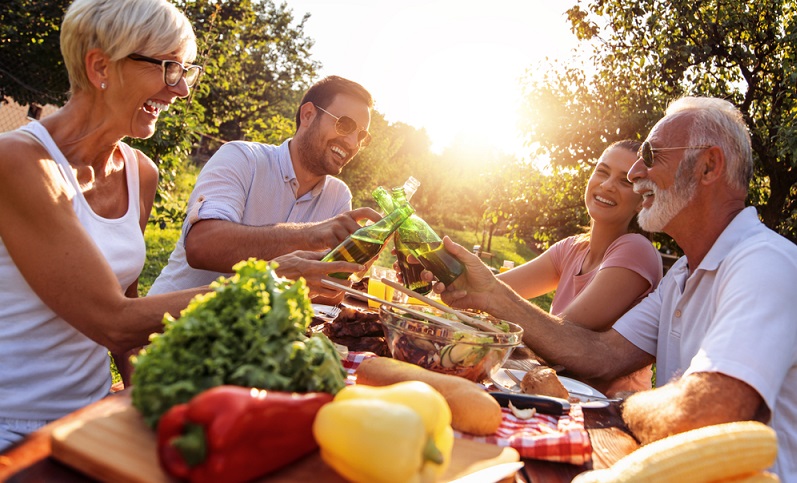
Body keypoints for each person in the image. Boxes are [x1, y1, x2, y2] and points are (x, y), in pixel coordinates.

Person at [0, 0, 360, 451]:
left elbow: (128, 315)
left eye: (187, 71)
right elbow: (112, 320)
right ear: (100, 67)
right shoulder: (19, 162)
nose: (182, 90)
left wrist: (140, 401)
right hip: (13, 427)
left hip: (90, 417)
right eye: (169, 68)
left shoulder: (139, 172)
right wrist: (269, 279)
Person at [429, 97, 797, 480]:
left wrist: (624, 407)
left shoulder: (764, 262)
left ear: (708, 166)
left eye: (651, 155)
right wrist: (492, 294)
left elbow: (713, 411)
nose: (637, 173)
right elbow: (601, 353)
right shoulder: (681, 276)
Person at [148, 75, 380, 300]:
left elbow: (328, 293)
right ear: (308, 115)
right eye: (345, 125)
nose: (352, 143)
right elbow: (201, 246)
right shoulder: (241, 157)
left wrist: (354, 264)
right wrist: (312, 234)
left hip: (253, 336)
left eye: (362, 136)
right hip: (170, 327)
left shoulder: (338, 196)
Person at [497, 140, 662, 396]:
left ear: (642, 200)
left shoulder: (636, 250)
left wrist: (487, 299)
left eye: (625, 181)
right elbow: (497, 285)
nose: (607, 185)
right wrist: (438, 260)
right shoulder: (571, 249)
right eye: (603, 172)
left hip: (606, 414)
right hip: (553, 395)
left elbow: (557, 337)